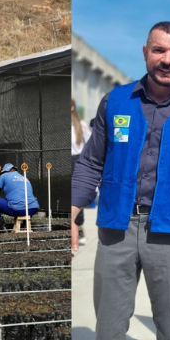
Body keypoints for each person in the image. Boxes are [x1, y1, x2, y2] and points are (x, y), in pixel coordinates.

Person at [71, 21, 170, 340]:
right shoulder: (115, 101)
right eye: (159, 50)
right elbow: (90, 161)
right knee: (109, 333)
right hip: (118, 228)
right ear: (145, 52)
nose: (167, 59)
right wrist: (71, 214)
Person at [0, 164, 40, 232]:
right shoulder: (25, 178)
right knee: (33, 199)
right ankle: (25, 224)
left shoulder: (4, 175)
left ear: (6, 171)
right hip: (32, 209)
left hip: (16, 209)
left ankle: (1, 226)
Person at [72, 99, 91, 246]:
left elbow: (91, 143)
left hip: (77, 160)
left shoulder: (81, 125)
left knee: (77, 196)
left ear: (72, 107)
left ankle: (79, 228)